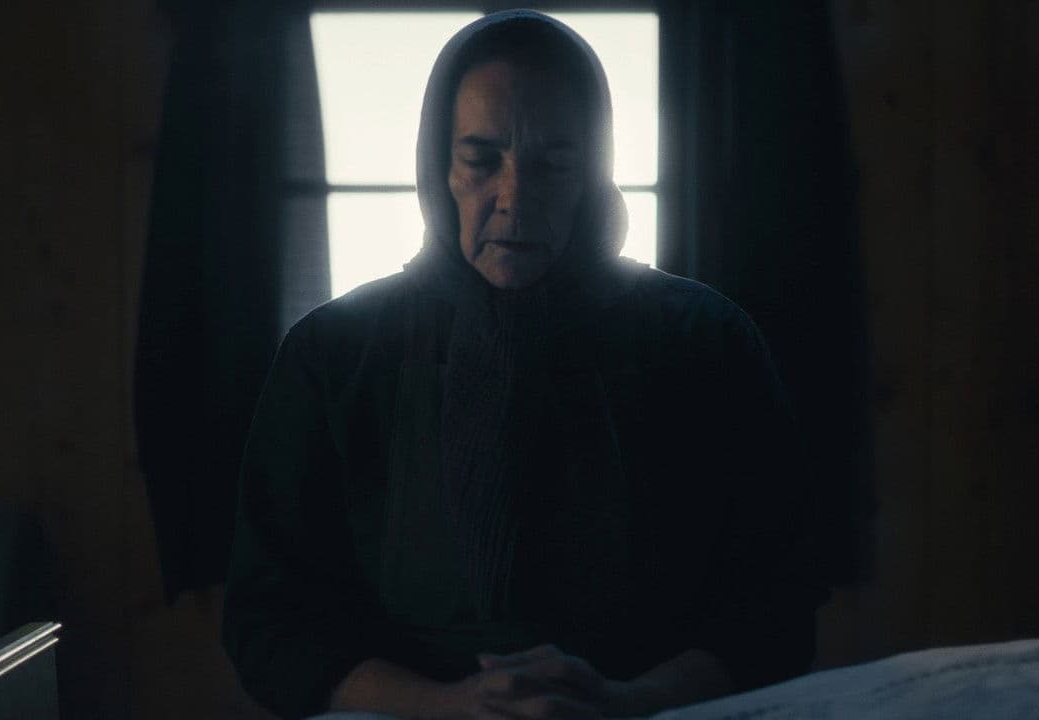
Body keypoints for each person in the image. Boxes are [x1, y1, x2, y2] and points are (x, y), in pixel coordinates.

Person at [222, 10, 827, 719]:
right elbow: (271, 618)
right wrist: (447, 706)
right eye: (482, 160)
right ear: (439, 167)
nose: (515, 198)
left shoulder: (706, 342)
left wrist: (631, 702)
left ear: (593, 172)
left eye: (554, 164)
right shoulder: (335, 355)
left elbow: (773, 601)